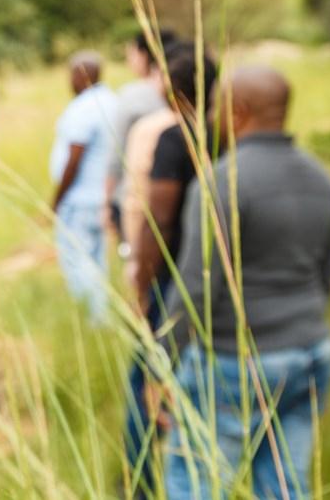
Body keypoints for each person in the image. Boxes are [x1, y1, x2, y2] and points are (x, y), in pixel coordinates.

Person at [161, 65, 330, 499]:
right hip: (311, 353)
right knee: (286, 485)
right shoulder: (323, 180)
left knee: (197, 482)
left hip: (236, 362)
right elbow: (326, 278)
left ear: (237, 111)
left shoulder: (223, 180)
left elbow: (197, 287)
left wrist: (164, 360)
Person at [122, 44, 218, 497]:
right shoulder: (225, 133)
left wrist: (141, 283)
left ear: (169, 88)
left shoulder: (173, 138)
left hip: (173, 282)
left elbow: (157, 219)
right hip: (216, 282)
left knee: (147, 381)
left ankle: (139, 483)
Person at [49, 51, 117, 324]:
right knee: (96, 258)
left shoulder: (84, 107)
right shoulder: (112, 101)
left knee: (77, 259)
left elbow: (74, 157)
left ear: (80, 75)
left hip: (80, 198)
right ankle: (101, 315)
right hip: (103, 196)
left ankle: (96, 320)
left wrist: (57, 198)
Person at [105, 29, 176, 249]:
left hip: (135, 194)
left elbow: (116, 154)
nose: (130, 61)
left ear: (144, 55)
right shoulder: (183, 86)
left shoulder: (132, 95)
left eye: (132, 54)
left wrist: (106, 201)